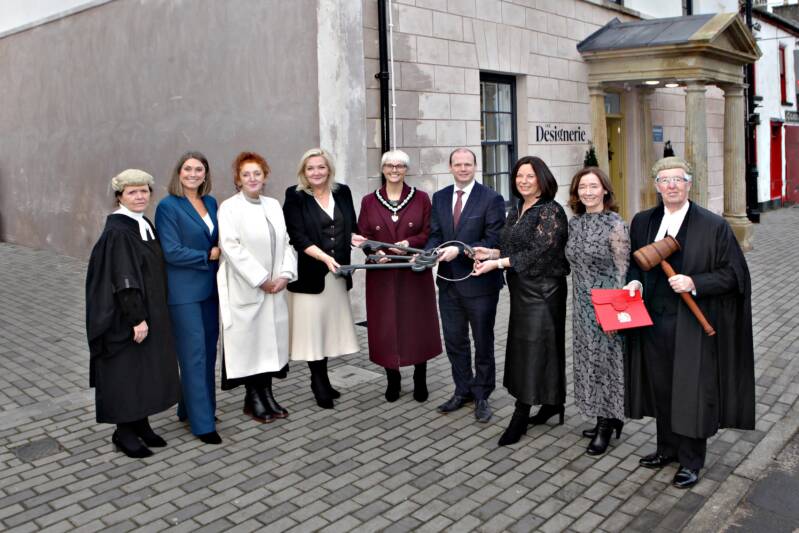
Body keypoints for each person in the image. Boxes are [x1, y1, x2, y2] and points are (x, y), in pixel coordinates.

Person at [623, 156, 755, 489]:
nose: (671, 186)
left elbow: (734, 274)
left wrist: (694, 282)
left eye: (678, 180)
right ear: (656, 186)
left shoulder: (714, 226)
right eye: (664, 180)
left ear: (689, 184)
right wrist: (635, 282)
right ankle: (666, 449)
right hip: (652, 321)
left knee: (691, 391)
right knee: (662, 386)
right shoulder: (643, 222)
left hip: (693, 324)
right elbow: (637, 264)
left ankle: (691, 460)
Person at [473, 156, 569, 445]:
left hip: (544, 290)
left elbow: (538, 251)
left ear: (542, 178)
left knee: (535, 351)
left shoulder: (551, 210)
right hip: (521, 288)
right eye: (519, 176)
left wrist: (497, 264)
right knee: (525, 348)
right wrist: (489, 253)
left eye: (530, 176)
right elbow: (510, 245)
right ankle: (552, 403)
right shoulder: (518, 209)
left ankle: (521, 414)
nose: (523, 181)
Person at [86, 169, 180, 458]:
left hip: (149, 312)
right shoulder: (118, 232)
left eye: (144, 191)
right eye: (132, 192)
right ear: (119, 197)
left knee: (143, 370)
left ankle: (141, 423)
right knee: (125, 373)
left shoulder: (141, 224)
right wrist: (136, 318)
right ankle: (123, 432)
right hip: (127, 318)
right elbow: (124, 279)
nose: (140, 197)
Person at [217, 152, 297, 423]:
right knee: (251, 345)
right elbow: (231, 247)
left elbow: (286, 242)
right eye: (246, 174)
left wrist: (285, 274)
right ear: (238, 180)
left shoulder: (273, 205)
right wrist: (261, 278)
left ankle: (268, 395)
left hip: (275, 289)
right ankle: (253, 400)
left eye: (257, 173)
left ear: (265, 177)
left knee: (269, 346)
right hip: (249, 288)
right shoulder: (229, 208)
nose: (252, 178)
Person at [427, 148, 505, 423]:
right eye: (457, 164)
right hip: (448, 283)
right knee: (455, 341)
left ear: (475, 166)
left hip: (480, 282)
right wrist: (428, 253)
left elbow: (494, 239)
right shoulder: (440, 197)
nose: (462, 169)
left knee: (483, 341)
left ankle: (482, 395)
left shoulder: (491, 198)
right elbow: (435, 234)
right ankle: (463, 390)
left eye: (467, 164)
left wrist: (459, 251)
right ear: (450, 167)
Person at [357, 150, 442, 402]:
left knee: (417, 325)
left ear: (406, 170)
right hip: (382, 275)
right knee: (385, 327)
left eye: (400, 166)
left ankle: (420, 378)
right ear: (382, 169)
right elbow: (363, 235)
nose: (395, 170)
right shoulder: (369, 201)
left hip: (413, 271)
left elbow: (429, 232)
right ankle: (392, 379)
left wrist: (409, 242)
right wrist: (377, 251)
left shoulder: (421, 198)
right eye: (390, 165)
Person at [283, 148, 362, 409]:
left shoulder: (343, 191)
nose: (316, 172)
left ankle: (325, 379)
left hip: (337, 277)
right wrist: (325, 259)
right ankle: (317, 381)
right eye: (310, 168)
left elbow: (352, 227)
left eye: (321, 167)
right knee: (312, 331)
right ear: (303, 172)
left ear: (329, 169)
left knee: (327, 328)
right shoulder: (295, 197)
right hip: (310, 277)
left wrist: (361, 242)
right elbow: (298, 237)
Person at [155, 152, 221, 445]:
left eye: (199, 169)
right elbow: (170, 250)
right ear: (178, 173)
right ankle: (202, 423)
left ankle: (192, 407)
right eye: (188, 169)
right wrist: (206, 255)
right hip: (183, 293)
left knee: (208, 352)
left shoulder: (211, 202)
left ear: (205, 175)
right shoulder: (168, 206)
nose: (193, 174)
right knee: (193, 355)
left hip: (211, 289)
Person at [565, 167, 629, 455]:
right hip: (580, 304)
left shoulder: (616, 224)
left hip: (607, 302)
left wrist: (617, 312)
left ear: (605, 190)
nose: (588, 192)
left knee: (607, 363)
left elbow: (623, 270)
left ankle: (607, 423)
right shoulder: (575, 223)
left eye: (593, 186)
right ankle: (606, 416)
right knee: (588, 359)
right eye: (582, 187)